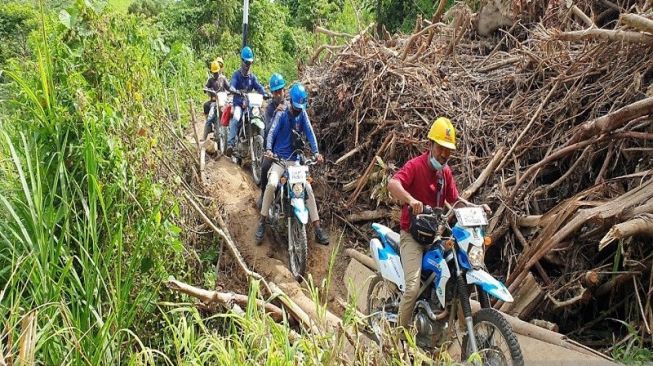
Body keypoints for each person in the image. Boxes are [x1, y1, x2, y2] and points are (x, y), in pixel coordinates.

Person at [387, 116, 461, 332]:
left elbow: (456, 200)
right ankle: (396, 338)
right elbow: (393, 184)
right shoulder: (416, 166)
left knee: (452, 275)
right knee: (412, 287)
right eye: (441, 148)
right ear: (430, 145)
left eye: (448, 149)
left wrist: (475, 208)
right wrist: (410, 200)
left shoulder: (445, 172)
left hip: (434, 237)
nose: (444, 154)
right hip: (412, 237)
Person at [256, 83, 329, 245]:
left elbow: (309, 132)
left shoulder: (302, 113)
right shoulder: (281, 114)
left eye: (300, 107)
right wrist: (269, 149)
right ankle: (262, 221)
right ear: (291, 102)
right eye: (296, 107)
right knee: (272, 184)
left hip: (295, 161)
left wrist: (316, 152)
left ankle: (317, 228)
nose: (298, 110)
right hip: (280, 160)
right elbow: (272, 132)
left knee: (307, 188)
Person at [225, 47, 267, 157]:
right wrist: (234, 90)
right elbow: (232, 85)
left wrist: (265, 93)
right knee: (236, 118)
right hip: (239, 104)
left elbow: (259, 86)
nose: (248, 65)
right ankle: (230, 144)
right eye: (246, 62)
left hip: (250, 105)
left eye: (250, 62)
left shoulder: (252, 77)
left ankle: (264, 145)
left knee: (261, 117)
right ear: (242, 61)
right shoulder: (236, 75)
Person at [258, 72, 288, 207]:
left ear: (284, 90)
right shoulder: (269, 109)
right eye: (275, 92)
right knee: (265, 167)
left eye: (280, 91)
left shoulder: (289, 105)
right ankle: (263, 194)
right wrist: (276, 113)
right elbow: (268, 129)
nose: (278, 94)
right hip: (273, 148)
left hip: (288, 148)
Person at [202, 57, 229, 141]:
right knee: (210, 117)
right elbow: (206, 87)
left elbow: (229, 87)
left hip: (222, 102)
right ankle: (204, 135)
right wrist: (207, 89)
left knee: (230, 113)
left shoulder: (223, 78)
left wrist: (231, 91)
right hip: (214, 102)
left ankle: (230, 135)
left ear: (219, 70)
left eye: (216, 72)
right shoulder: (210, 80)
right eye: (214, 73)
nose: (215, 74)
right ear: (212, 72)